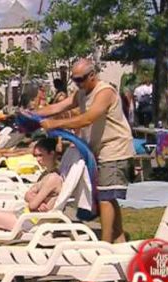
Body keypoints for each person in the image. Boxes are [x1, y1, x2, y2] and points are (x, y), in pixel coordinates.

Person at [37, 58, 135, 244]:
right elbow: (59, 106)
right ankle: (119, 238)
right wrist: (32, 114)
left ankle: (104, 245)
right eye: (74, 79)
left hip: (115, 147)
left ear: (92, 75)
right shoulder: (81, 92)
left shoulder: (104, 91)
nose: (77, 83)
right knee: (108, 197)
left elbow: (88, 118)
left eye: (80, 79)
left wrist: (55, 123)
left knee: (106, 198)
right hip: (100, 149)